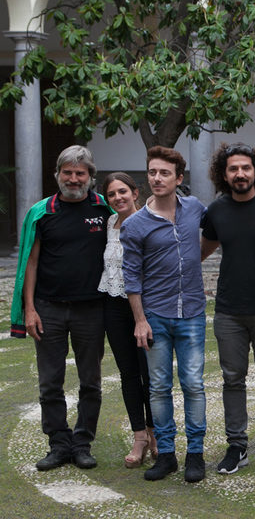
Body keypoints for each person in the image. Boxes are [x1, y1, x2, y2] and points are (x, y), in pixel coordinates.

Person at [10, 145, 111, 471]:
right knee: (50, 382)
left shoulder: (104, 209)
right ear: (57, 175)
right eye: (67, 172)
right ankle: (58, 443)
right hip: (48, 309)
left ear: (90, 177)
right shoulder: (42, 212)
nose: (73, 178)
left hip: (91, 310)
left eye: (80, 173)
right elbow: (31, 263)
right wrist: (30, 309)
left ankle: (82, 443)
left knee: (90, 381)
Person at [122, 146, 208, 483]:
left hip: (192, 313)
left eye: (164, 173)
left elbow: (213, 236)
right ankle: (167, 454)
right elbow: (132, 278)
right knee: (158, 387)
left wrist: (194, 261)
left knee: (193, 384)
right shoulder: (136, 224)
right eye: (152, 172)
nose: (157, 178)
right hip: (155, 315)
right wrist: (140, 320)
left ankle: (196, 454)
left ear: (179, 179)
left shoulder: (195, 209)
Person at [201, 143, 255, 475]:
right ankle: (237, 445)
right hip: (228, 310)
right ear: (224, 174)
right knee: (232, 379)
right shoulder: (217, 211)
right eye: (233, 169)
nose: (240, 174)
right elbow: (200, 251)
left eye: (245, 168)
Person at [99, 172, 157, 468]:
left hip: (145, 308)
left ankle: (156, 431)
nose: (118, 198)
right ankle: (139, 436)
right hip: (113, 306)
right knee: (128, 374)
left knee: (151, 374)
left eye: (123, 191)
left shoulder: (148, 221)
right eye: (112, 194)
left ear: (135, 193)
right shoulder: (109, 224)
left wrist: (142, 316)